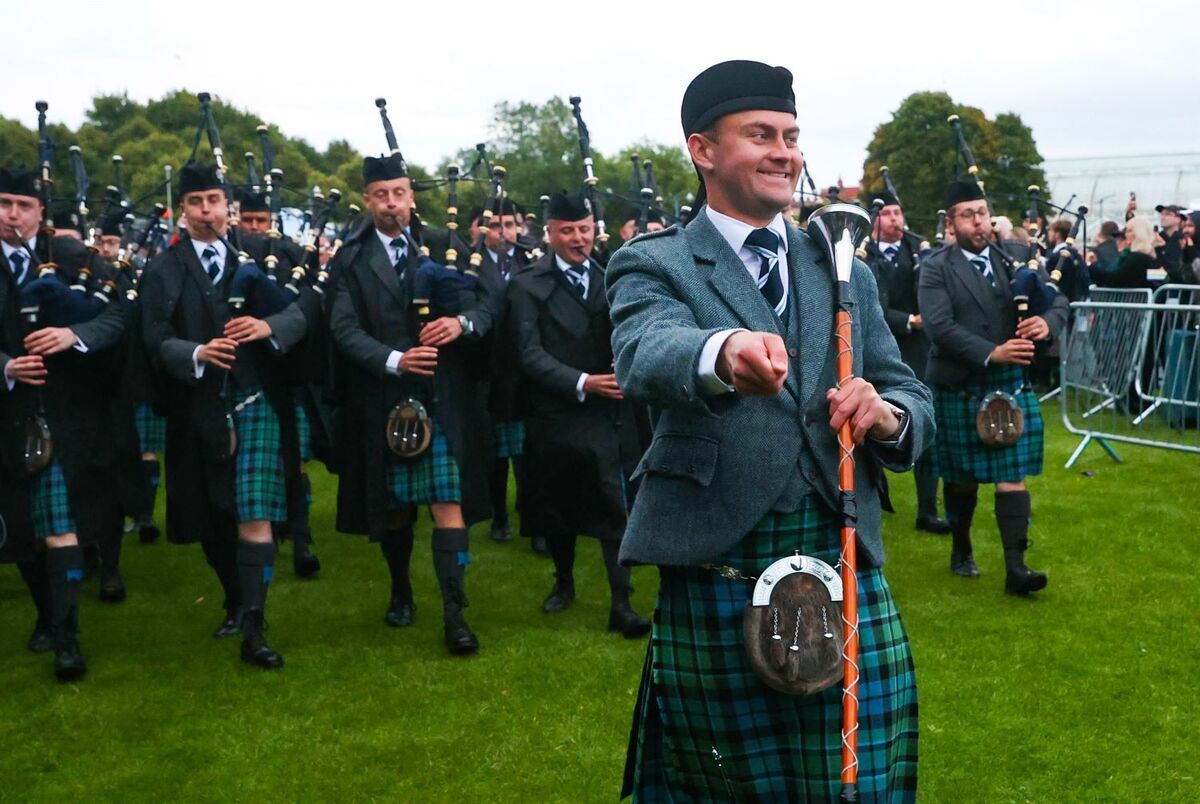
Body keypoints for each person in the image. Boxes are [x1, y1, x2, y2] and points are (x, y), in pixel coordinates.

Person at [607, 61, 934, 800]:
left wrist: (886, 414)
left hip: (840, 548)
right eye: (760, 134)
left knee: (861, 781)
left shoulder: (840, 260)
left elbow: (908, 386)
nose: (785, 152)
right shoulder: (653, 260)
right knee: (724, 788)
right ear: (703, 149)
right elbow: (644, 352)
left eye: (791, 135)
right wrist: (720, 351)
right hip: (719, 555)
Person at [140, 163, 309, 669]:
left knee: (254, 514)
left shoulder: (262, 255)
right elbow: (152, 337)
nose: (206, 211)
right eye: (196, 202)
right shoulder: (163, 269)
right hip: (198, 407)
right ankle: (234, 597)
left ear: (228, 207)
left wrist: (267, 324)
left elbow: (305, 311)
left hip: (256, 402)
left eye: (214, 200)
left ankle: (254, 629)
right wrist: (195, 352)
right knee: (212, 520)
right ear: (183, 210)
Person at [329, 152, 490, 655]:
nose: (391, 203)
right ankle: (400, 590)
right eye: (381, 195)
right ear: (367, 200)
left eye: (399, 193)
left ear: (411, 197)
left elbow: (489, 300)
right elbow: (343, 327)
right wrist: (396, 359)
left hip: (439, 396)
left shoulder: (444, 245)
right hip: (384, 396)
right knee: (394, 509)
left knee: (448, 502)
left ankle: (454, 612)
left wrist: (460, 324)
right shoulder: (350, 259)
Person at [0, 166, 136, 680]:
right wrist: (7, 367)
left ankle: (67, 637)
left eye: (24, 205)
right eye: (4, 203)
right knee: (27, 527)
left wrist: (73, 335)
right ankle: (46, 614)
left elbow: (120, 315)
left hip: (69, 410)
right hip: (8, 409)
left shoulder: (75, 258)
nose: (13, 214)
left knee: (61, 525)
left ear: (41, 212)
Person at [509, 191, 651, 637]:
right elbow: (528, 354)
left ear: (595, 230)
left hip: (607, 413)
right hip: (554, 411)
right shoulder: (527, 285)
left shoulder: (609, 278)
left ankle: (621, 603)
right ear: (550, 234)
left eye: (584, 229)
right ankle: (563, 582)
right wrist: (582, 382)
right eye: (568, 230)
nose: (578, 238)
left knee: (613, 502)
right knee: (557, 507)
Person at [918, 180, 1068, 594]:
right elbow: (939, 326)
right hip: (964, 382)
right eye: (968, 215)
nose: (978, 221)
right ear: (951, 222)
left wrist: (1047, 322)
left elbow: (1059, 300)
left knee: (1012, 474)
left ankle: (1017, 568)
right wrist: (993, 351)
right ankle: (961, 546)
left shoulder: (1017, 256)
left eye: (982, 212)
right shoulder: (935, 265)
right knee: (963, 478)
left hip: (1010, 385)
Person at [237, 189, 322, 578]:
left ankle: (301, 538)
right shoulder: (228, 255)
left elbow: (307, 305)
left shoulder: (290, 255)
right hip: (243, 373)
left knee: (294, 459)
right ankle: (267, 534)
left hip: (287, 369)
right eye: (248, 221)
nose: (255, 229)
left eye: (261, 221)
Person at [861, 190, 950, 534]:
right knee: (872, 425)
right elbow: (873, 305)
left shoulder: (919, 252)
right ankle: (874, 498)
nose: (895, 219)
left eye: (899, 212)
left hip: (917, 349)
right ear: (875, 220)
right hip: (881, 344)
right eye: (888, 214)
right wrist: (909, 320)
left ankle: (928, 510)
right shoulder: (862, 257)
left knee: (921, 423)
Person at [461, 200, 532, 544]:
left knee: (528, 452)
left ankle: (535, 520)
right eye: (497, 224)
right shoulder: (468, 267)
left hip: (525, 371)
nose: (504, 232)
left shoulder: (530, 262)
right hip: (484, 369)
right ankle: (499, 517)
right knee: (493, 451)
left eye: (510, 224)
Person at [1094, 216, 1156, 288]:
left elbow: (1115, 279)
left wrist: (1091, 266)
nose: (1126, 234)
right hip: (1141, 297)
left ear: (1139, 233)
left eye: (1130, 231)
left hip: (1131, 298)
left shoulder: (1137, 258)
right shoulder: (1151, 257)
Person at [1154, 204, 1187, 283]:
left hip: (1177, 288)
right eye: (1162, 214)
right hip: (1159, 288)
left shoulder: (1182, 239)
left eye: (1167, 214)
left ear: (1178, 219)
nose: (1163, 217)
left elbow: (1175, 269)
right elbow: (1151, 272)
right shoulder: (1157, 238)